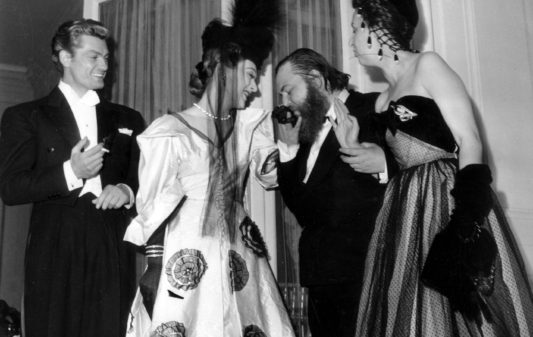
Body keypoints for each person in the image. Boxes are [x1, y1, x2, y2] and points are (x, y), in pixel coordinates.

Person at [338, 0, 533, 336]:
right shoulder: (383, 100)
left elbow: (469, 140)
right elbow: (401, 163)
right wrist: (354, 146)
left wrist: (464, 226)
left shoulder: (427, 65)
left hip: (447, 204)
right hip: (402, 216)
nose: (351, 38)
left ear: (378, 27)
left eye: (357, 27)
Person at [122, 0, 295, 336]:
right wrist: (155, 268)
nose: (254, 87)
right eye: (249, 74)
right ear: (223, 66)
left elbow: (270, 176)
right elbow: (152, 207)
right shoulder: (170, 131)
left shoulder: (250, 127)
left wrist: (284, 145)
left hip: (239, 255)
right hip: (185, 259)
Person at [0, 19, 145, 337]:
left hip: (110, 242)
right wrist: (71, 172)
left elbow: (146, 180)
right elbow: (11, 188)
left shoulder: (128, 119)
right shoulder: (26, 116)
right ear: (65, 57)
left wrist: (126, 189)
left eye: (107, 57)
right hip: (54, 244)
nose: (104, 65)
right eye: (94, 56)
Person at [274, 48, 395, 337]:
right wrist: (289, 149)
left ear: (316, 79)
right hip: (320, 278)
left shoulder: (373, 108)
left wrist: (383, 164)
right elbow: (302, 210)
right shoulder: (305, 130)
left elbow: (420, 171)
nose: (285, 103)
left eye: (289, 91)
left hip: (367, 275)